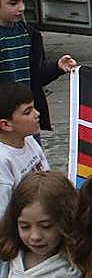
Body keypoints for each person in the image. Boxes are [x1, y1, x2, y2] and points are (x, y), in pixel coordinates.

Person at [0, 0, 75, 132]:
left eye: (22, 1)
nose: (21, 8)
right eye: (13, 3)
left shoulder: (29, 35)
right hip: (4, 117)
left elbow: (36, 76)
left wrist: (56, 67)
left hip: (26, 115)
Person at [0, 81, 47, 214]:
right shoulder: (3, 161)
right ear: (6, 125)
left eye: (34, 107)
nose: (37, 114)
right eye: (27, 112)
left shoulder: (29, 139)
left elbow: (47, 177)